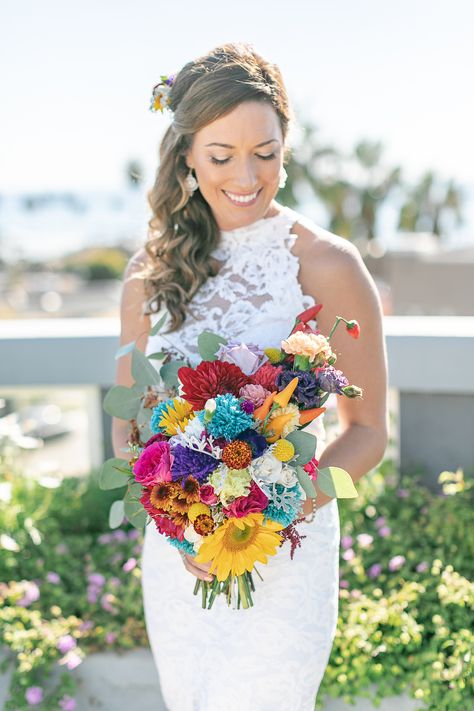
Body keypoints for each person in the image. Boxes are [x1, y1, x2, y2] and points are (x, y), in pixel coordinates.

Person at [112, 42, 388, 711]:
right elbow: (126, 431)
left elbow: (369, 432)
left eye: (265, 152)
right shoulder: (147, 277)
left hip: (287, 556)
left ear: (285, 146)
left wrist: (272, 506)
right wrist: (185, 526)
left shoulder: (329, 265)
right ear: (186, 155)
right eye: (221, 155)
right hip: (183, 567)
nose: (247, 174)